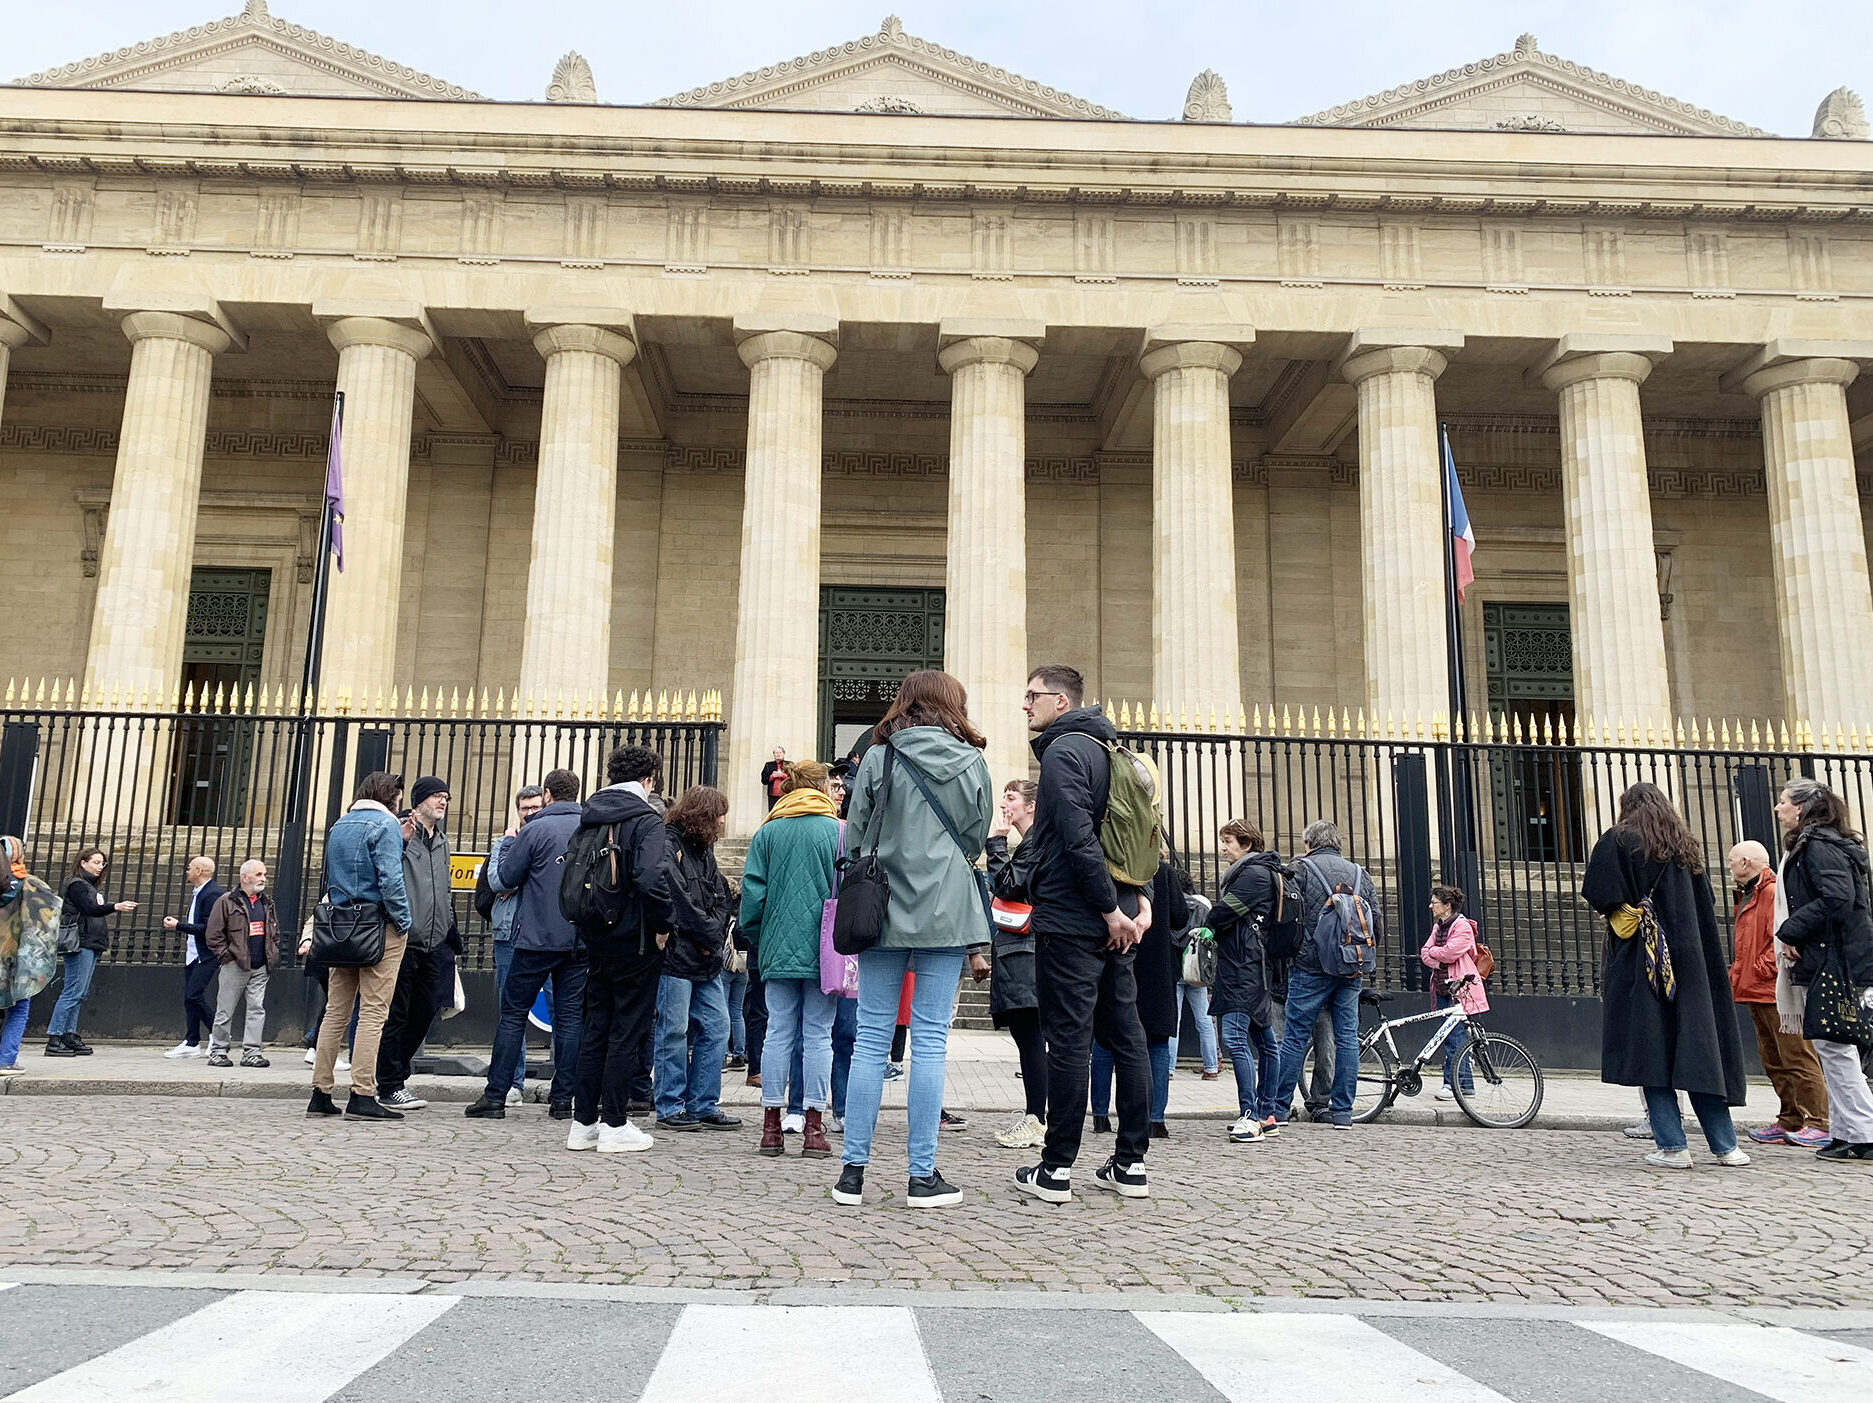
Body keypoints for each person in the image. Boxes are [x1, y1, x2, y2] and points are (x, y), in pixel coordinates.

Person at [832, 669, 993, 1209]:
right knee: (928, 1043)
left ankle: (852, 1171)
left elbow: (855, 835)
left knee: (872, 1042)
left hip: (881, 909)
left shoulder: (880, 755)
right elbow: (975, 835)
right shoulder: (971, 760)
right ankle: (921, 1175)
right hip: (946, 909)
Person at [1008, 667, 1154, 1204]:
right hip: (1115, 911)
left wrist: (1105, 909)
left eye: (1032, 696)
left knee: (1069, 1039)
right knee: (1127, 1034)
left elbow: (1077, 836)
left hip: (1076, 918)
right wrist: (1138, 901)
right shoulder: (1112, 748)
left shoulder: (1066, 751)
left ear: (1061, 700)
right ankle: (1132, 1163)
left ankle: (1056, 1168)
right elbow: (1141, 834)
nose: (1025, 705)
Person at [1582, 781, 1748, 1168]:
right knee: (1698, 1051)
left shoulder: (1620, 840)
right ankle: (1727, 1146)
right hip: (1692, 960)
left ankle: (1673, 1145)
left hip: (1646, 960)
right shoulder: (1685, 847)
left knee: (1651, 1051)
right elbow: (1706, 902)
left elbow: (1599, 890)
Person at [558, 745, 673, 1153]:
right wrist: (663, 926)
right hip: (635, 938)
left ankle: (583, 1121)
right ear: (648, 780)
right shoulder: (645, 820)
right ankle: (614, 1123)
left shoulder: (589, 817)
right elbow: (649, 878)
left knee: (596, 1028)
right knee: (628, 1031)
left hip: (594, 934)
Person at [465, 769, 587, 1121]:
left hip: (535, 937)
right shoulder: (590, 828)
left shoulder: (535, 829)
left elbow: (505, 878)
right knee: (569, 1018)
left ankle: (496, 1096)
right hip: (578, 938)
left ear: (548, 794)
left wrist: (504, 846)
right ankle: (563, 1099)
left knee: (513, 1015)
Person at [740, 759, 842, 1159]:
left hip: (778, 946)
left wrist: (759, 938)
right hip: (826, 948)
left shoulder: (768, 832)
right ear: (820, 789)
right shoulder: (838, 832)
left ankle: (770, 1126)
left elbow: (752, 898)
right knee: (819, 1035)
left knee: (778, 1032)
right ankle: (814, 1127)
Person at [1772, 778, 1873, 1162]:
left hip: (1839, 959)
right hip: (1832, 955)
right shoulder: (1818, 843)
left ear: (1800, 808)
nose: (1778, 809)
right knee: (1833, 1046)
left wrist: (1790, 929)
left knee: (1838, 1046)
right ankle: (1848, 1131)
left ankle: (1863, 1133)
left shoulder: (1818, 846)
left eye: (1782, 802)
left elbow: (1838, 898)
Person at [308, 771, 413, 1121]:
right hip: (377, 924)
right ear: (391, 797)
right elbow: (390, 879)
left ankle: (320, 1092)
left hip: (341, 923)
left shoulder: (341, 825)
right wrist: (403, 921)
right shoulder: (385, 826)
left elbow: (335, 876)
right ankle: (362, 1093)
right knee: (373, 1011)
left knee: (336, 1009)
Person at [1265, 820, 1380, 1130]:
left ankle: (1279, 1107)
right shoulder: (1360, 873)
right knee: (1346, 1038)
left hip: (1310, 966)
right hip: (1350, 966)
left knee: (1295, 1037)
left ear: (1309, 843)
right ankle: (1342, 1111)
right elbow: (1376, 923)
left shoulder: (1300, 869)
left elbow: (1286, 917)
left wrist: (1292, 952)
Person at [1727, 839, 1829, 1149]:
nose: (1729, 866)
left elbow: (1782, 935)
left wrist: (1760, 968)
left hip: (1773, 990)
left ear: (1746, 862)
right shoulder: (1750, 894)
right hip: (1755, 989)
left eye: (1732, 861)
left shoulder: (1772, 893)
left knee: (1796, 1055)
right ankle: (1790, 1118)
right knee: (1773, 1059)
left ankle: (1817, 1121)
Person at [653, 784, 741, 1132]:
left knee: (718, 1026)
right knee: (673, 1030)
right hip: (677, 955)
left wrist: (713, 935)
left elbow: (720, 895)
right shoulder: (668, 842)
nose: (722, 821)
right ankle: (670, 1105)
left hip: (704, 957)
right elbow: (675, 899)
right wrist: (709, 934)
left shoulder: (704, 850)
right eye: (718, 814)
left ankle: (702, 1102)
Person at [1091, 857, 1187, 1139]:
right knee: (1156, 1040)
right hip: (1156, 963)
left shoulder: (1112, 865)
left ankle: (1099, 1114)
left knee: (1107, 1036)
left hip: (1119, 953)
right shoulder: (1163, 872)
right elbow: (1180, 916)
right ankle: (1155, 1118)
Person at [377, 776, 455, 1113]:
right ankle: (390, 1083)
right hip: (404, 938)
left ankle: (395, 1074)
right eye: (437, 796)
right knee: (396, 1014)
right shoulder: (399, 833)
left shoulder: (442, 841)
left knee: (424, 1013)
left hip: (435, 941)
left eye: (446, 797)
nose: (443, 802)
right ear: (419, 800)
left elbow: (444, 887)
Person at [1208, 820, 1283, 1143]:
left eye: (1228, 842)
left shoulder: (1252, 875)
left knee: (1236, 1038)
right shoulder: (1261, 872)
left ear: (1247, 844)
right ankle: (1267, 1114)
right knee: (1265, 1041)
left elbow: (1223, 913)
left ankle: (1251, 1114)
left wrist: (1211, 920)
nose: (1223, 848)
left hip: (1244, 967)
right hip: (1253, 965)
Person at [986, 778, 1047, 1149]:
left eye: (1011, 798)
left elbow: (1005, 885)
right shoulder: (1033, 843)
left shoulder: (1033, 843)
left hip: (1027, 950)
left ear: (1031, 806)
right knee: (1030, 1038)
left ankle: (1036, 1120)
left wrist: (996, 842)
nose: (1004, 804)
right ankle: (1037, 1116)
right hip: (1023, 949)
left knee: (1031, 1038)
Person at [482, 785, 547, 1103]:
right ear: (517, 811)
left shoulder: (550, 838)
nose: (531, 813)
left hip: (546, 933)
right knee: (512, 1011)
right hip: (509, 933)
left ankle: (563, 1084)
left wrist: (517, 877)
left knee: (563, 1009)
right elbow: (497, 881)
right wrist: (509, 847)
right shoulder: (504, 842)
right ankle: (512, 1083)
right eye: (525, 809)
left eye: (536, 807)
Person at [45, 847, 136, 1057]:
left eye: (102, 863)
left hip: (90, 941)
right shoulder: (77, 885)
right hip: (80, 942)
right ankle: (55, 1037)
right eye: (96, 862)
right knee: (73, 991)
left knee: (80, 992)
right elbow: (89, 909)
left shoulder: (88, 886)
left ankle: (68, 1034)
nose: (99, 867)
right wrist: (116, 906)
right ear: (83, 863)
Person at [203, 859, 279, 1068]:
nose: (263, 878)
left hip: (261, 964)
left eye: (264, 874)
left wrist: (273, 950)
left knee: (257, 1008)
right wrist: (226, 956)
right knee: (225, 1010)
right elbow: (213, 934)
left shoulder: (266, 902)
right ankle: (218, 1051)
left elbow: (274, 931)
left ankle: (252, 1052)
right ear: (244, 877)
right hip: (235, 964)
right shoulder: (227, 901)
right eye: (259, 874)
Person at [1420, 885, 1488, 1099]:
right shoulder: (1437, 927)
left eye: (1435, 902)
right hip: (1441, 986)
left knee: (1454, 1036)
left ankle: (1454, 1085)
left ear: (1447, 905)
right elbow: (1424, 953)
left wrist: (1436, 956)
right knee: (1448, 1035)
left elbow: (1450, 953)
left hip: (1460, 988)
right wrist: (1436, 957)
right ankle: (1464, 1084)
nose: (1430, 906)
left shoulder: (1463, 926)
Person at [1, 836, 60, 1078]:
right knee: (19, 1008)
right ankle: (5, 1061)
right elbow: (52, 915)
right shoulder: (32, 884)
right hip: (16, 958)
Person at [161, 856, 223, 1059]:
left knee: (193, 995)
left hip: (206, 954)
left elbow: (209, 927)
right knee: (189, 998)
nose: (187, 871)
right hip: (193, 953)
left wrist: (178, 926)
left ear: (199, 871)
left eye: (189, 868)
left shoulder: (212, 893)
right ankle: (192, 1041)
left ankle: (219, 1034)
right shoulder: (200, 892)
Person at [761, 746, 789, 811]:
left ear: (783, 754)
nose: (778, 754)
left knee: (784, 812)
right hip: (773, 795)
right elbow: (764, 780)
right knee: (773, 812)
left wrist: (782, 775)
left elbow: (793, 778)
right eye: (776, 753)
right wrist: (773, 776)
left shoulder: (789, 764)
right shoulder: (768, 765)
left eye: (780, 752)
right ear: (774, 755)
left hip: (785, 794)